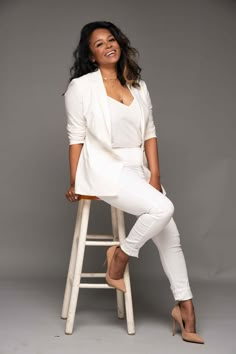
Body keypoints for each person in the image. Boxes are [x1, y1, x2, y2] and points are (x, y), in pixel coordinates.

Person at [63, 21, 205, 344]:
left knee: (171, 235)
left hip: (138, 168)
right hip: (104, 169)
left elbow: (150, 133)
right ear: (91, 54)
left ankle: (186, 309)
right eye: (99, 44)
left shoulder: (138, 85)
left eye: (111, 39)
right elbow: (75, 138)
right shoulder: (81, 88)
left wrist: (155, 175)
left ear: (120, 43)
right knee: (164, 209)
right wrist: (74, 180)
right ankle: (120, 258)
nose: (107, 45)